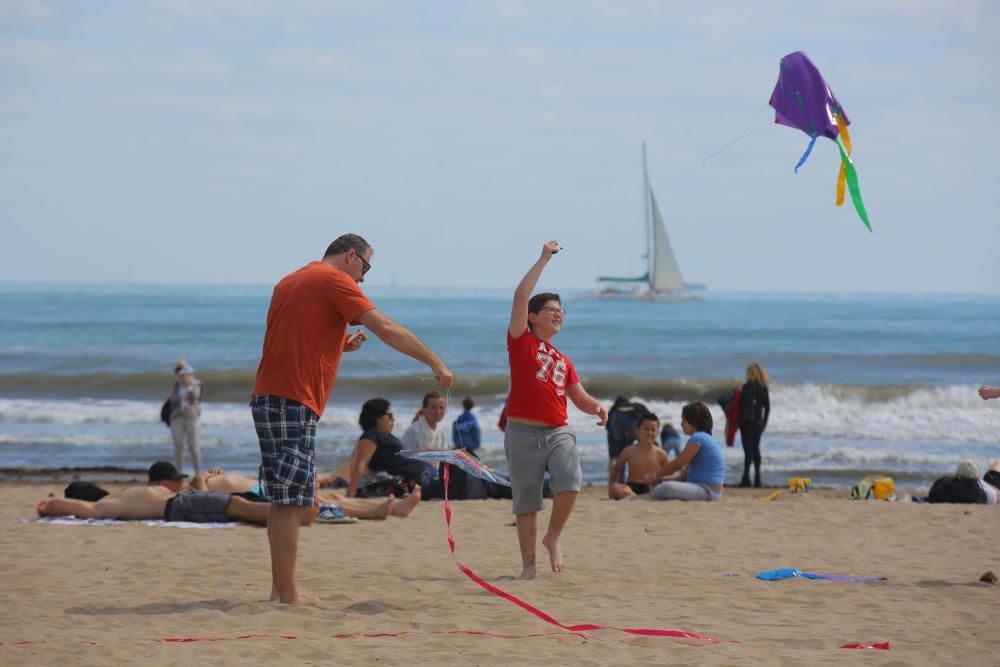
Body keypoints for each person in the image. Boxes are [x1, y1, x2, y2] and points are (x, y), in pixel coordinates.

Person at [250, 233, 452, 604]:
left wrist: (340, 343)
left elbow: (291, 337)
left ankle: (281, 590)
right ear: (351, 256)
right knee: (294, 501)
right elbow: (385, 327)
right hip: (292, 400)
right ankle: (287, 592)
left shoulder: (291, 280)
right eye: (365, 267)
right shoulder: (333, 279)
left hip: (270, 397)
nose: (363, 278)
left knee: (285, 499)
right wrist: (434, 361)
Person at [504, 241, 607, 580]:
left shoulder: (563, 360)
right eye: (551, 308)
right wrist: (543, 259)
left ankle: (554, 538)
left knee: (571, 482)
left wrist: (596, 407)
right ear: (533, 317)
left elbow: (578, 397)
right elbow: (520, 296)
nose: (558, 312)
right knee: (527, 501)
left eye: (561, 309)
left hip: (557, 430)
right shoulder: (521, 340)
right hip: (520, 432)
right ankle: (528, 565)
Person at [38, 462, 293, 526]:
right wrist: (49, 506)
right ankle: (289, 516)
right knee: (236, 505)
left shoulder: (126, 495)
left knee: (236, 504)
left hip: (182, 503)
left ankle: (288, 514)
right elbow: (86, 509)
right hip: (179, 507)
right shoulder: (111, 504)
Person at [347, 398, 437, 499]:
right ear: (378, 417)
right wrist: (349, 497)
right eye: (390, 416)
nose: (393, 419)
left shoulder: (384, 436)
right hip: (421, 479)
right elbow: (361, 465)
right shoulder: (370, 434)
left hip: (426, 474)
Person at [649, 402, 726, 502]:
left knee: (667, 488)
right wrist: (660, 479)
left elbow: (677, 464)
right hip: (708, 490)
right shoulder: (704, 437)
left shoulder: (698, 437)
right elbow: (682, 476)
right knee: (664, 485)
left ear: (694, 421)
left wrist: (654, 476)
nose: (681, 423)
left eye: (684, 419)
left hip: (707, 490)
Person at [608, 413, 669, 499]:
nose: (649, 432)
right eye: (646, 429)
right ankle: (637, 497)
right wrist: (610, 488)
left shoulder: (661, 454)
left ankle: (638, 498)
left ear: (657, 432)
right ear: (637, 431)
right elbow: (616, 469)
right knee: (615, 488)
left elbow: (667, 474)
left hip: (651, 487)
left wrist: (656, 479)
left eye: (653, 430)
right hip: (631, 488)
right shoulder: (628, 451)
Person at [167, 361, 204, 475]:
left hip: (191, 418)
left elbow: (194, 398)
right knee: (178, 446)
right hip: (177, 418)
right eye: (180, 375)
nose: (182, 377)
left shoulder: (197, 384)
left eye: (184, 374)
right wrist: (180, 397)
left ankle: (198, 473)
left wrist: (189, 386)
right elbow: (171, 398)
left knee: (193, 447)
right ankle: (179, 473)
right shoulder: (177, 385)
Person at [738, 362, 771, 488]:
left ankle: (746, 478)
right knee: (756, 449)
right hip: (758, 423)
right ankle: (758, 478)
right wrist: (764, 423)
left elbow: (742, 406)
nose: (746, 375)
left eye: (748, 373)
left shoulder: (746, 387)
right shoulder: (764, 388)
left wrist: (737, 422)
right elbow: (767, 408)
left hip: (746, 423)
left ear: (751, 373)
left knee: (748, 451)